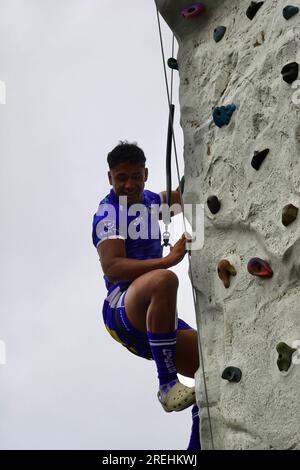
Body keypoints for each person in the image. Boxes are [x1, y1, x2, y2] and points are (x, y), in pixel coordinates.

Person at [92, 141, 201, 450]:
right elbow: (113, 267)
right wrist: (169, 260)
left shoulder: (152, 201)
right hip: (122, 308)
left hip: (156, 318)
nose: (129, 185)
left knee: (213, 375)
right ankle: (167, 384)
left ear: (146, 174)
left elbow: (185, 198)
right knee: (163, 280)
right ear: (110, 178)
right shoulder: (107, 214)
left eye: (136, 177)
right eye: (121, 178)